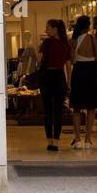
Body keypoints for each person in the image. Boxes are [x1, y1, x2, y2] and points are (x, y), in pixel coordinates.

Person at [38, 19, 72, 151]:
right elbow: (68, 66)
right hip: (60, 77)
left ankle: (49, 140)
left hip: (47, 77)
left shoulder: (47, 43)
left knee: (48, 111)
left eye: (48, 28)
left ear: (54, 29)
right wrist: (68, 83)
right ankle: (56, 141)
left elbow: (39, 59)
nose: (46, 30)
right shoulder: (65, 44)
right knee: (58, 111)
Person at [68, 15, 97, 149]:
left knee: (76, 106)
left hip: (79, 70)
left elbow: (72, 60)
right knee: (91, 107)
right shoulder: (92, 38)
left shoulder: (72, 40)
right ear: (87, 26)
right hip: (91, 70)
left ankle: (77, 137)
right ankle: (88, 139)